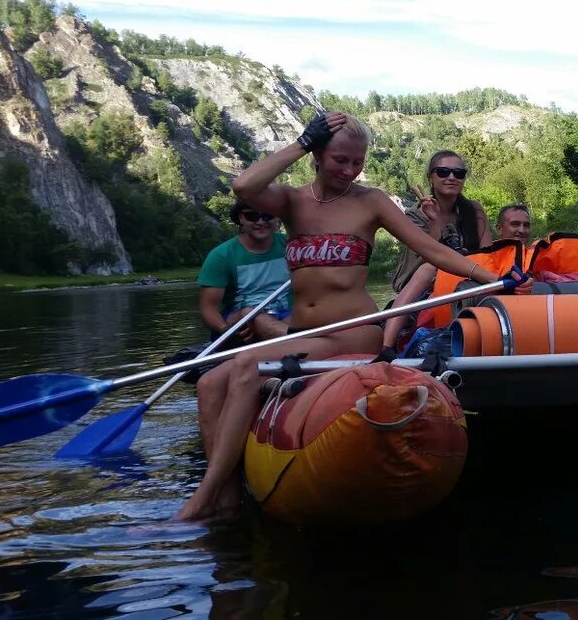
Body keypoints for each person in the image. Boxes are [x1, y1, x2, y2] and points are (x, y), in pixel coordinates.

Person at [175, 113, 520, 521]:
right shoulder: (291, 201)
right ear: (318, 154)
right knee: (211, 382)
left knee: (246, 364)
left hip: (352, 332)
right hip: (304, 331)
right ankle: (227, 498)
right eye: (340, 159)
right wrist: (303, 140)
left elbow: (432, 250)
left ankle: (199, 502)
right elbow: (244, 186)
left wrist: (495, 278)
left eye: (357, 161)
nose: (350, 170)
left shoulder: (370, 202)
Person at [381, 152, 492, 347]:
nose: (451, 177)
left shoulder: (473, 210)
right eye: (443, 172)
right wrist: (435, 221)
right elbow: (432, 255)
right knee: (430, 268)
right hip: (424, 278)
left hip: (470, 274)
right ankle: (387, 345)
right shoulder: (416, 215)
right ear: (431, 178)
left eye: (459, 173)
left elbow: (487, 253)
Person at [196, 199, 292, 344]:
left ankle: (297, 341)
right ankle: (303, 343)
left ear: (277, 217)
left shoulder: (291, 245)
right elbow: (208, 308)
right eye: (252, 216)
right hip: (242, 319)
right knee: (250, 314)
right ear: (241, 218)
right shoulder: (221, 255)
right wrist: (224, 331)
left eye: (267, 216)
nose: (260, 222)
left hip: (287, 314)